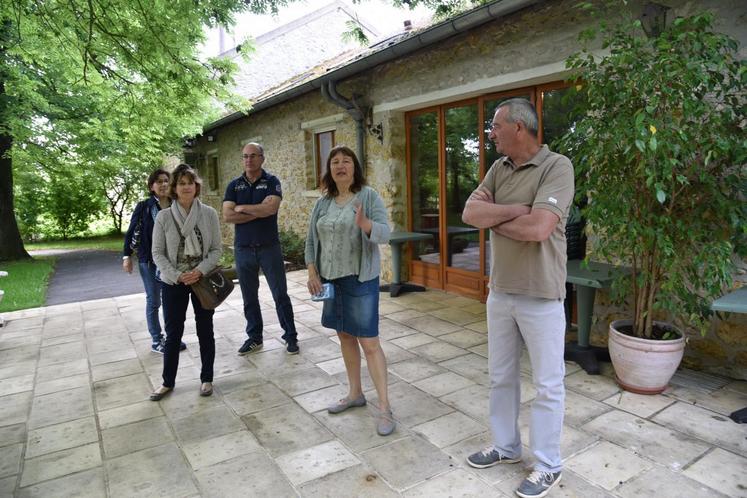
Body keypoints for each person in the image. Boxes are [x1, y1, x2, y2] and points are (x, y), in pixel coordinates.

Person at [461, 98, 574, 498]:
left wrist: (499, 218)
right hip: (501, 292)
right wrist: (515, 210)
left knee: (547, 384)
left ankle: (547, 465)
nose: (490, 133)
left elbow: (539, 228)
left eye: (495, 126)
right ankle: (507, 447)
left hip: (542, 295)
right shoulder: (498, 167)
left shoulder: (557, 167)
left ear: (519, 128)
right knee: (500, 376)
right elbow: (470, 214)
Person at [304, 145, 394, 436]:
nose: (340, 165)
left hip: (359, 279)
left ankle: (385, 407)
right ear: (329, 169)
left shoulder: (368, 196)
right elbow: (311, 240)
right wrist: (312, 270)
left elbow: (384, 232)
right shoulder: (324, 202)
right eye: (335, 162)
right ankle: (355, 393)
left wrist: (365, 223)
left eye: (346, 161)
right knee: (344, 335)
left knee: (369, 343)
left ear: (354, 167)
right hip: (330, 280)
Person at [149, 164, 222, 400]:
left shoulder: (209, 214)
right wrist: (178, 275)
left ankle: (207, 379)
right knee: (173, 333)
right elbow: (157, 253)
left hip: (202, 280)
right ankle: (167, 382)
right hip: (174, 282)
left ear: (196, 186)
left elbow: (215, 250)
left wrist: (199, 271)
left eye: (190, 182)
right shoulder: (164, 216)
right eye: (181, 183)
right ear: (174, 188)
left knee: (205, 330)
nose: (186, 187)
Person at [223, 142, 299, 355]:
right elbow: (228, 215)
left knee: (280, 294)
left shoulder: (272, 181)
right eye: (245, 156)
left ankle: (290, 336)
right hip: (243, 249)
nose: (249, 160)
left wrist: (243, 208)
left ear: (262, 158)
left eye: (253, 156)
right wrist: (260, 210)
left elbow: (272, 208)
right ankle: (254, 337)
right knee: (249, 297)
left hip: (269, 248)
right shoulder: (234, 185)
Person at [123, 169, 186, 354]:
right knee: (154, 301)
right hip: (149, 261)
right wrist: (126, 256)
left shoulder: (177, 205)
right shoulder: (144, 207)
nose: (163, 184)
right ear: (152, 186)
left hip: (173, 261)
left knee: (170, 301)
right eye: (159, 181)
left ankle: (171, 338)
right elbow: (131, 230)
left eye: (166, 181)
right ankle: (157, 340)